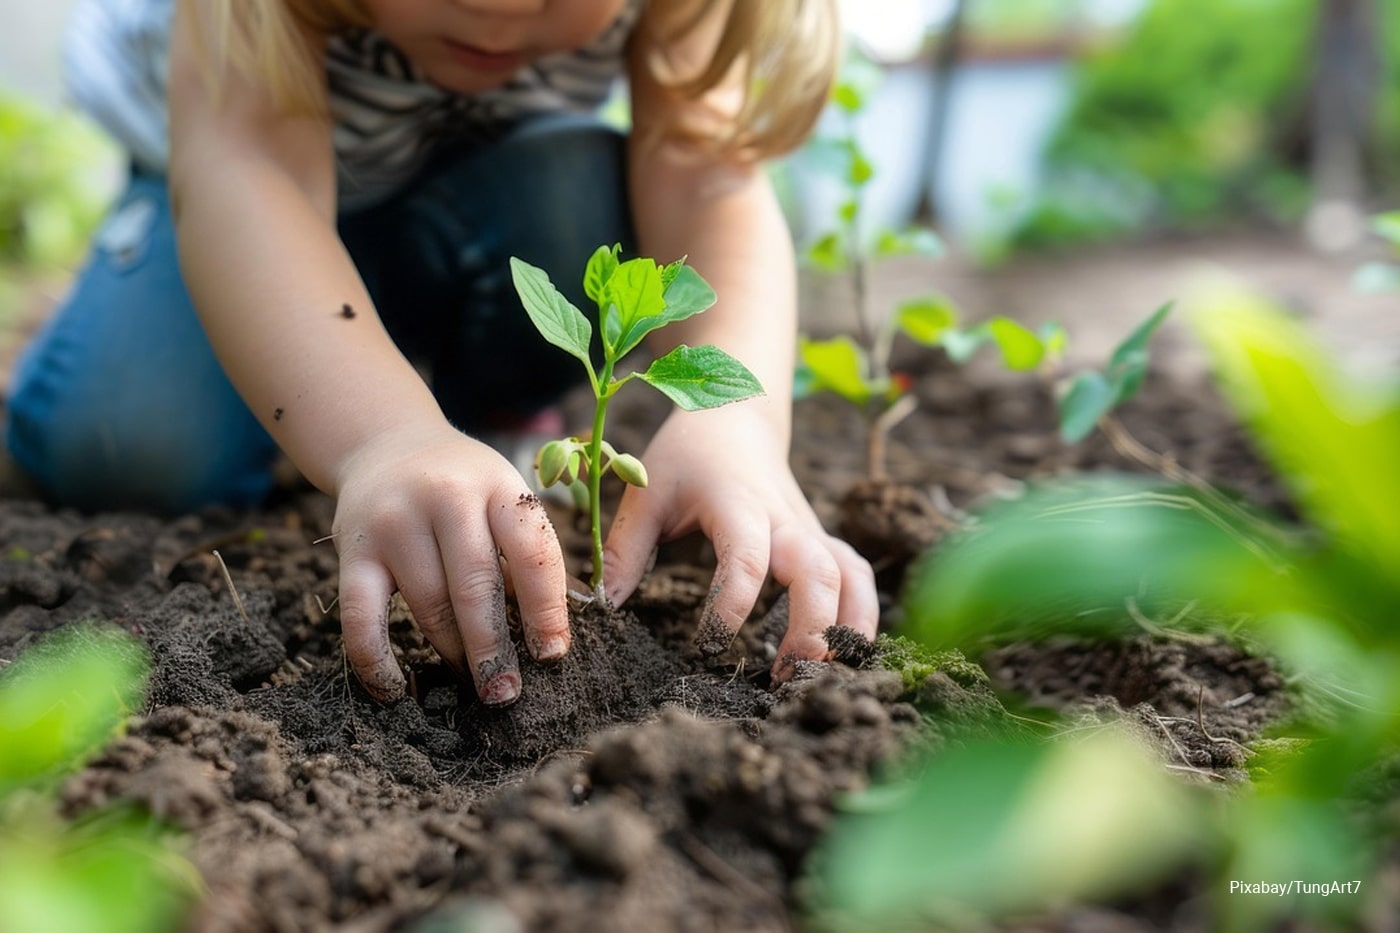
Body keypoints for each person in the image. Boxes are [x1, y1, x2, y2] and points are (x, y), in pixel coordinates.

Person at [4, 0, 877, 706]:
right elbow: (247, 170)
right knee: (128, 444)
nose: (497, 8)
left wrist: (736, 424)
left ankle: (471, 422)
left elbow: (704, 168)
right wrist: (377, 437)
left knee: (572, 196)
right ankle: (322, 386)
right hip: (233, 197)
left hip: (481, 199)